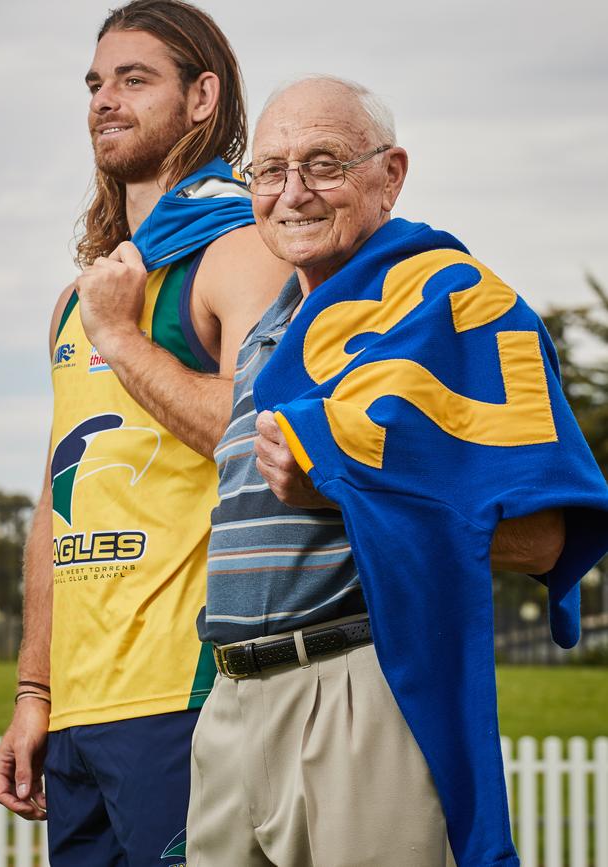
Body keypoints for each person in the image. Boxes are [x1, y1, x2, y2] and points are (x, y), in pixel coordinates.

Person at [186, 76, 608, 867]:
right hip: (232, 698)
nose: (293, 192)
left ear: (392, 173)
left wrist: (349, 486)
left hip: (358, 689)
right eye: (270, 170)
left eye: (324, 163)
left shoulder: (461, 305)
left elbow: (550, 537)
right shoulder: (264, 333)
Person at [0, 2, 290, 865]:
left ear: (202, 98)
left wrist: (123, 338)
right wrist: (35, 688)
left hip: (189, 696)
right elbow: (57, 504)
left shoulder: (242, 253)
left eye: (134, 79)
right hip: (79, 716)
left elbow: (264, 443)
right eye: (95, 82)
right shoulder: (78, 297)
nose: (105, 100)